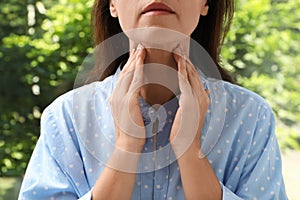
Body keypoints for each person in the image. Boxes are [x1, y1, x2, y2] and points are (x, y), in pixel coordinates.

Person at [18, 0, 288, 199]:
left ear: (205, 4)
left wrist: (190, 152)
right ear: (112, 5)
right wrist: (126, 146)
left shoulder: (250, 116)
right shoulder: (66, 118)